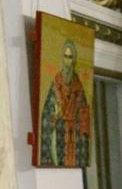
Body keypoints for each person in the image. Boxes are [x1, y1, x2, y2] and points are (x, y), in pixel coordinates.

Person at [38, 39, 91, 167]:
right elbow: (46, 115)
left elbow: (85, 119)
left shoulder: (78, 86)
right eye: (66, 57)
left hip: (75, 140)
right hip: (60, 136)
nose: (68, 61)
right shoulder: (56, 84)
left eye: (70, 57)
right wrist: (55, 115)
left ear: (74, 59)